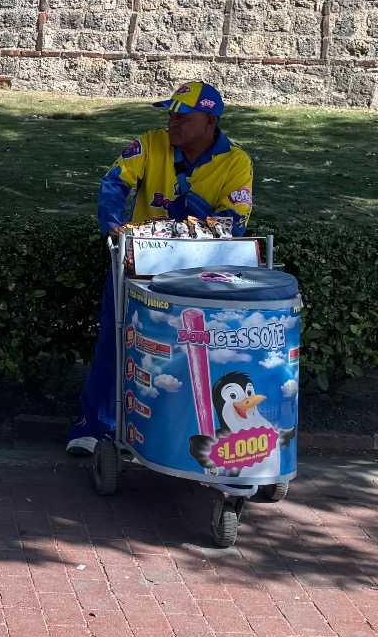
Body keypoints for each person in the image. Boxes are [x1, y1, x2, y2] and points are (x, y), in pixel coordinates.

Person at [68, 81, 255, 456]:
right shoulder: (150, 144)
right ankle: (95, 427)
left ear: (210, 122)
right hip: (140, 262)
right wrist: (113, 227)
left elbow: (236, 222)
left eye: (183, 117)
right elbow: (114, 183)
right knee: (117, 340)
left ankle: (173, 433)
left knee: (190, 354)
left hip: (199, 273)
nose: (172, 122)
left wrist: (196, 211)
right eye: (171, 114)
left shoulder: (237, 162)